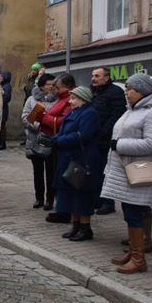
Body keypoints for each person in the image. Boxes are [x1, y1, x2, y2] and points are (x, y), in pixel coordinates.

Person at [100, 73, 152, 274]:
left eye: (129, 89)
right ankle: (133, 252)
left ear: (141, 91)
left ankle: (139, 259)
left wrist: (118, 145)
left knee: (134, 213)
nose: (126, 92)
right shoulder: (134, 109)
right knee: (129, 211)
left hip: (137, 170)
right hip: (124, 169)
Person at [51, 86, 101, 242]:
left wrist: (59, 141)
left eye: (73, 98)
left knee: (82, 194)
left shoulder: (90, 113)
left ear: (83, 99)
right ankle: (76, 226)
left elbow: (83, 135)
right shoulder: (74, 112)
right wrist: (56, 138)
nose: (70, 101)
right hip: (69, 158)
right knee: (71, 193)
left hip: (82, 159)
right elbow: (64, 130)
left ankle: (85, 229)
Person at [90, 67, 127, 216]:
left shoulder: (115, 92)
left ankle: (108, 202)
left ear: (106, 78)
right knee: (95, 171)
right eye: (92, 75)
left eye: (97, 76)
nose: (93, 78)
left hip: (107, 140)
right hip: (93, 139)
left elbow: (115, 116)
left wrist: (103, 134)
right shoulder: (92, 92)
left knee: (107, 172)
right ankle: (98, 199)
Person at [41, 73, 76, 221]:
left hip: (63, 143)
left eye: (58, 87)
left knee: (63, 177)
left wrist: (44, 117)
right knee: (55, 175)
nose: (55, 89)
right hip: (55, 140)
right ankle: (61, 207)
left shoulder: (69, 100)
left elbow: (63, 122)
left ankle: (65, 211)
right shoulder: (62, 98)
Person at [21, 73, 58, 210]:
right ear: (41, 86)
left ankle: (50, 199)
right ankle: (39, 198)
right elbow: (25, 117)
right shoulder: (31, 99)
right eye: (48, 84)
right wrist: (36, 125)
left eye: (52, 84)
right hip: (35, 138)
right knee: (37, 171)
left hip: (50, 139)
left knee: (51, 171)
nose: (51, 87)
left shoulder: (57, 99)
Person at [0, 70, 12, 150]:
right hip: (2, 109)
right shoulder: (3, 85)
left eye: (1, 76)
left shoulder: (6, 86)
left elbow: (6, 98)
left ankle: (2, 143)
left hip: (3, 109)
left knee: (2, 127)